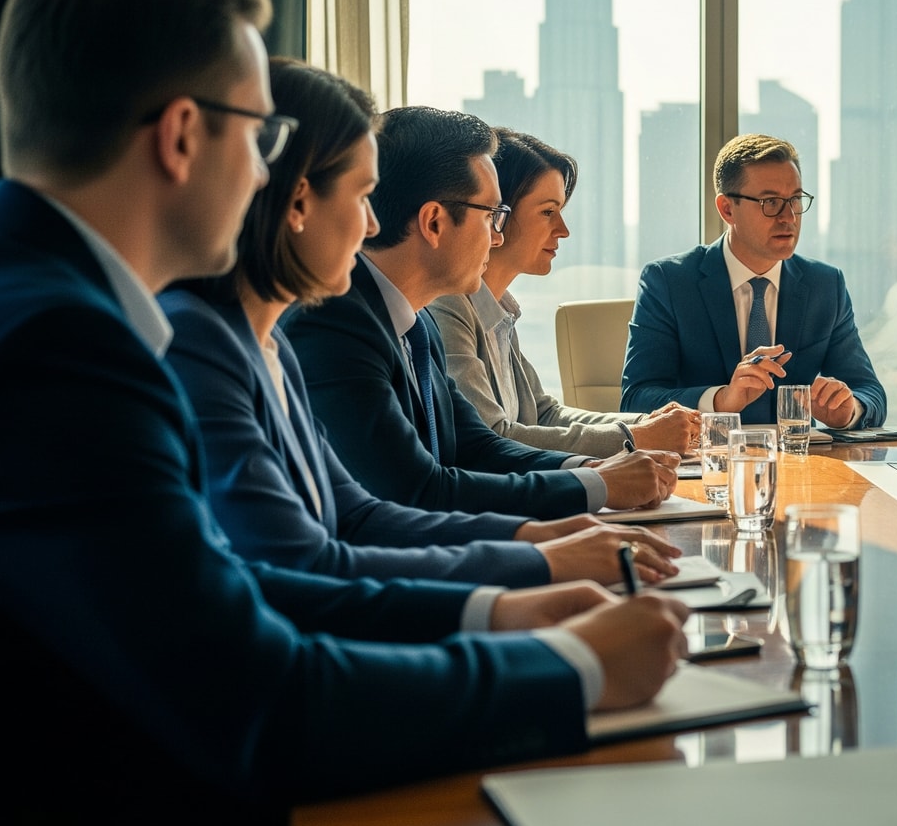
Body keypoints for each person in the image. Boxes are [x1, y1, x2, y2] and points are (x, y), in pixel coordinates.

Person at [0, 0, 686, 826]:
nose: (265, 173)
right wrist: (573, 667)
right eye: (262, 135)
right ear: (181, 135)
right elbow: (254, 695)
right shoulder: (59, 349)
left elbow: (249, 585)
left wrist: (497, 609)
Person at [162, 60, 681, 589]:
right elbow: (390, 507)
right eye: (361, 197)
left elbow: (452, 459)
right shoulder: (311, 326)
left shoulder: (388, 325)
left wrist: (559, 521)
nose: (370, 224)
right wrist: (554, 541)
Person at [284, 106, 677, 519]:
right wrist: (595, 486)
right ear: (434, 223)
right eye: (491, 215)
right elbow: (417, 491)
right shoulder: (335, 325)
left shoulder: (417, 323)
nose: (497, 237)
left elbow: (476, 446)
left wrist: (594, 470)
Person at [430, 129, 699, 458]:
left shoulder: (498, 311)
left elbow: (545, 414)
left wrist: (646, 423)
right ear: (498, 213)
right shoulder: (449, 307)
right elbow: (493, 437)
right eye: (547, 212)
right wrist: (636, 436)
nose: (564, 230)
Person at [622, 133, 886, 427]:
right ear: (727, 209)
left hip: (797, 454)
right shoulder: (668, 282)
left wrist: (848, 410)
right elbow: (635, 399)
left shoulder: (824, 285)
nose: (789, 217)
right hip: (708, 453)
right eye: (770, 202)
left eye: (795, 200)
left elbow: (870, 392)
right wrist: (720, 401)